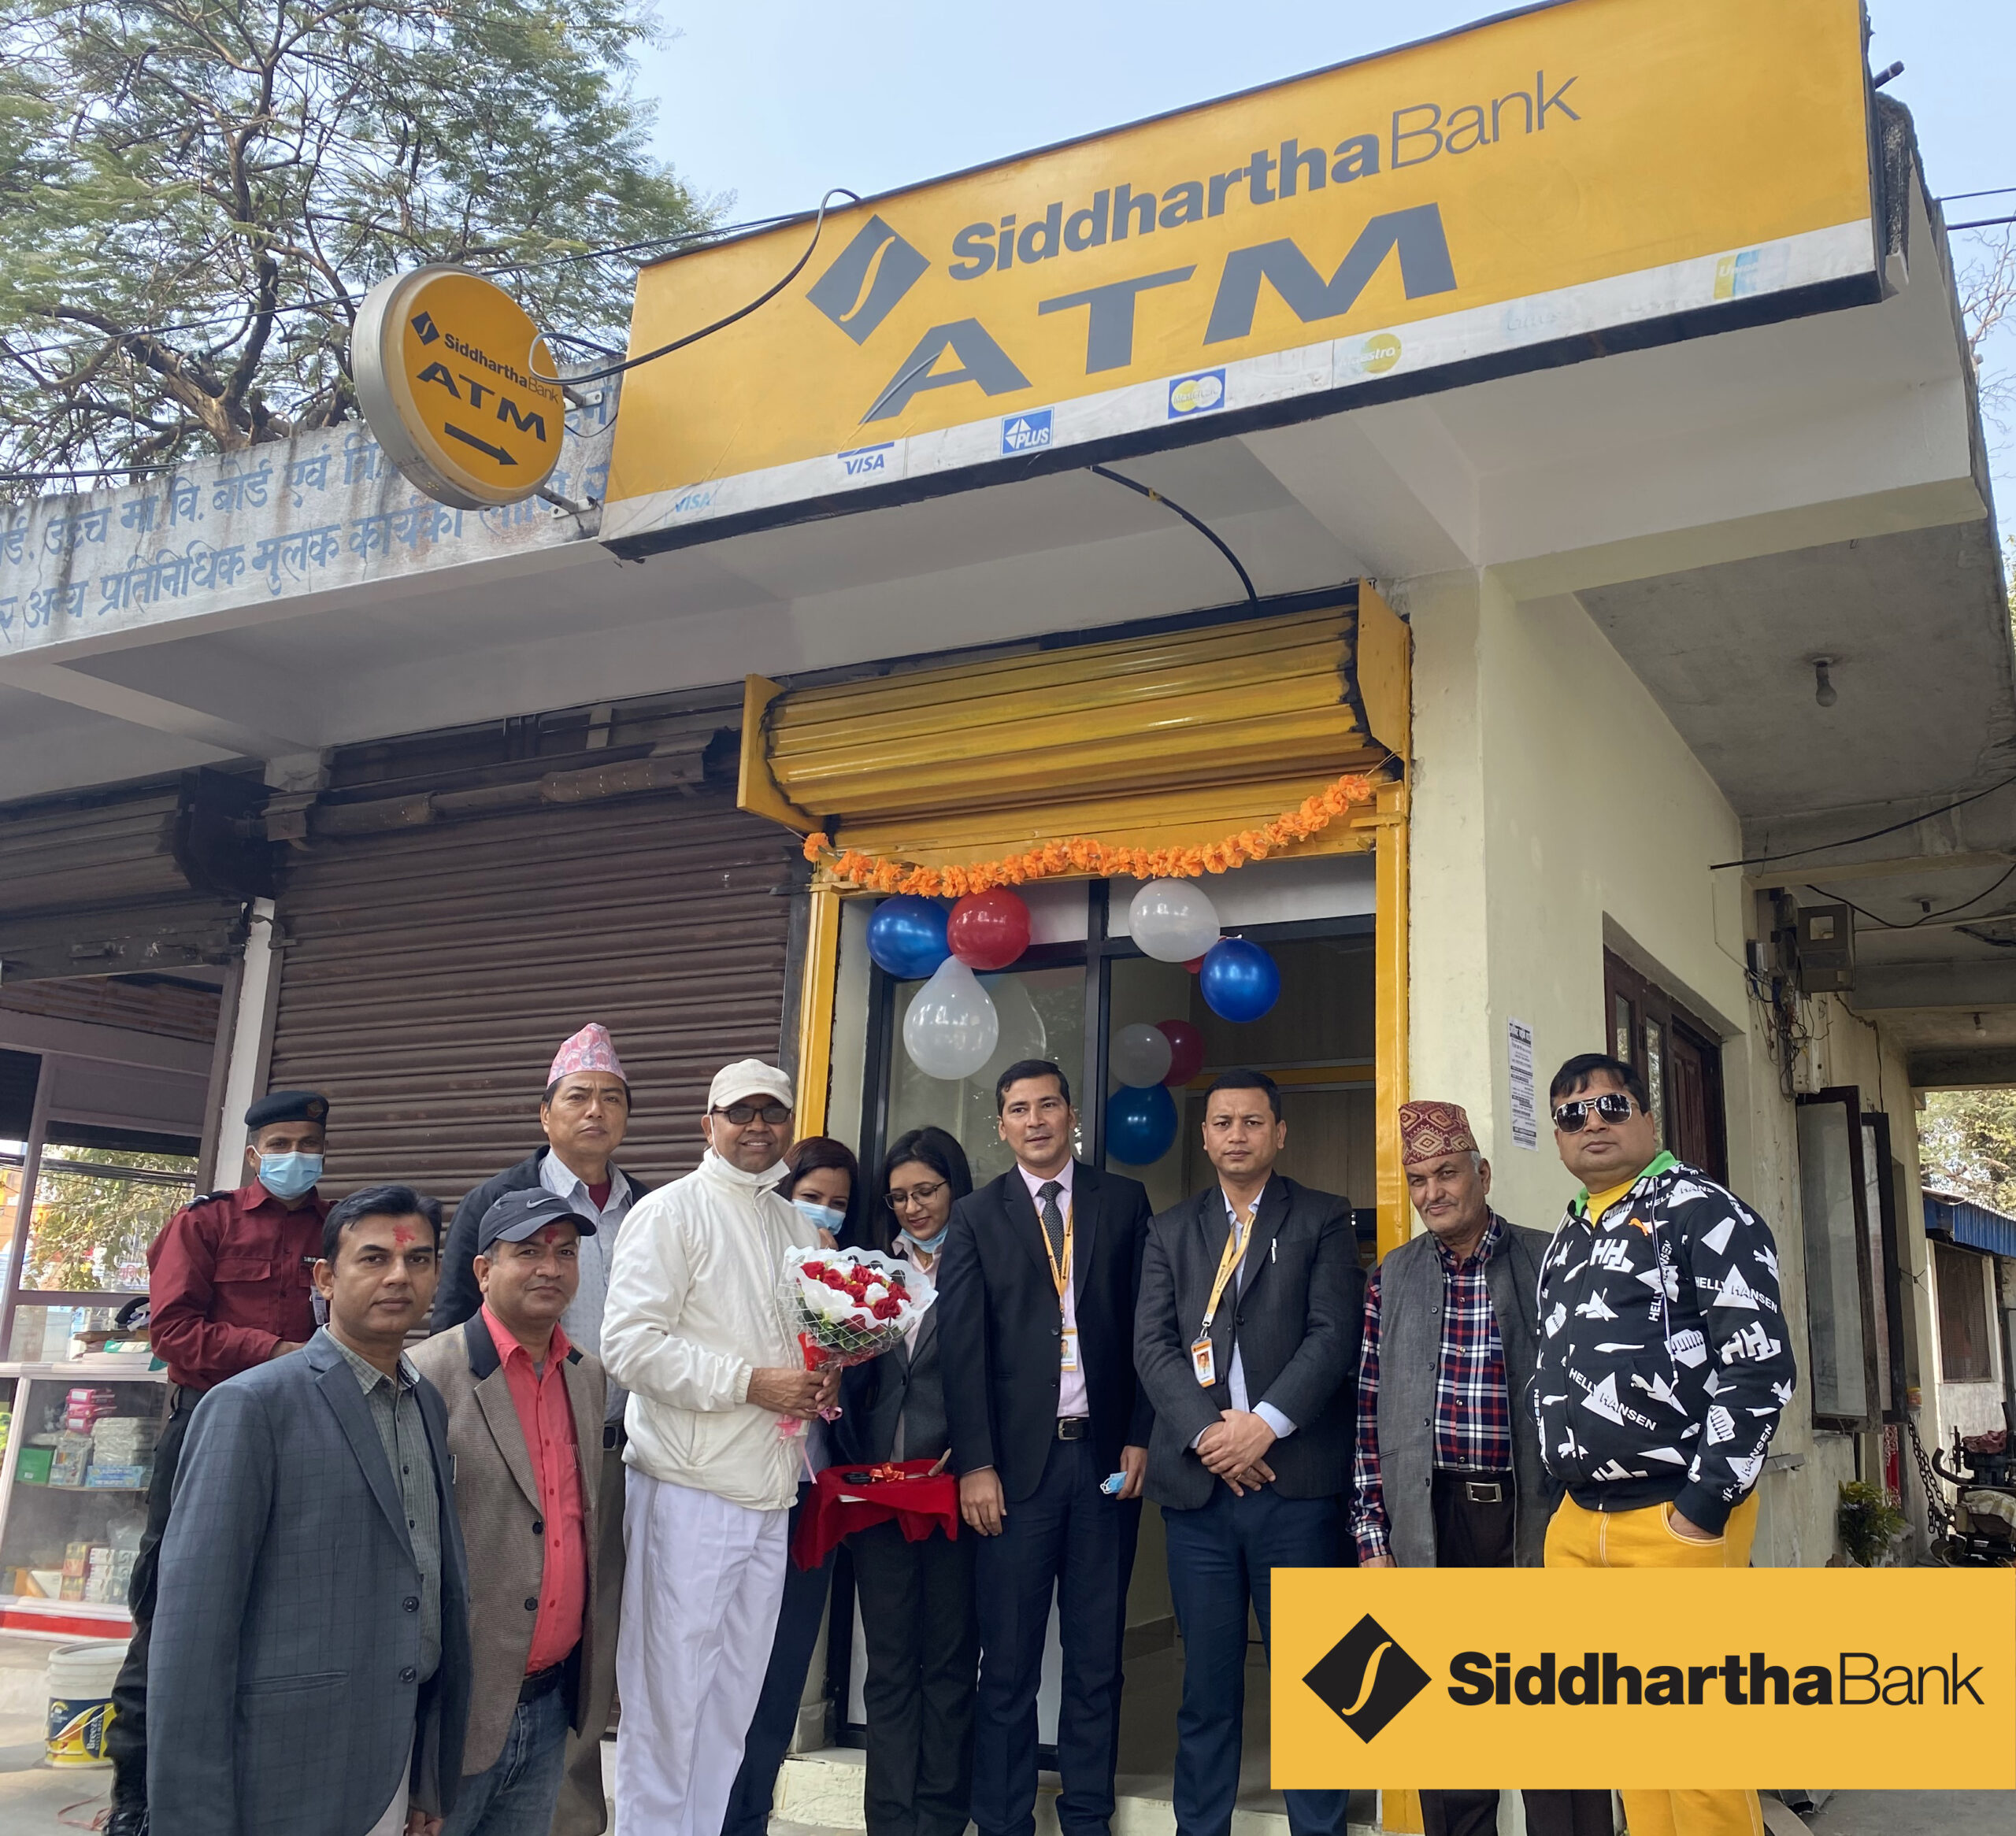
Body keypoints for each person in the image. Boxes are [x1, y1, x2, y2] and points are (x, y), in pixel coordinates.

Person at [148, 1184, 472, 1836]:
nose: (397, 1278)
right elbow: (192, 1631)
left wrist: (428, 1776)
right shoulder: (253, 1408)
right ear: (324, 1278)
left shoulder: (427, 1405)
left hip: (393, 1758)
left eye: (417, 1261)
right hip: (284, 1769)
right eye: (373, 1259)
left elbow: (429, 1584)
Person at [1536, 1053, 1797, 1836]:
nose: (1591, 1123)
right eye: (1570, 1113)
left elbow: (1757, 1367)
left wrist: (1703, 1508)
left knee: (1699, 1757)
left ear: (1647, 1117)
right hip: (1581, 1523)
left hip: (1676, 1517)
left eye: (1608, 1104)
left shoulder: (1701, 1210)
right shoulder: (1572, 1231)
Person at [1354, 1099, 1606, 1836]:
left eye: (1447, 1173)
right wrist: (1374, 1542)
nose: (1433, 1192)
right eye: (1419, 1179)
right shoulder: (1389, 1279)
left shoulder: (1550, 1257)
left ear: (1481, 1173)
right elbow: (1367, 1419)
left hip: (1535, 1522)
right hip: (1432, 1526)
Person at [601, 1061, 839, 1836]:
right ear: (708, 1123)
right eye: (741, 1112)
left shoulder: (794, 1222)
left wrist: (817, 1377)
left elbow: (797, 1345)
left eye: (773, 1112)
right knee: (668, 1705)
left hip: (769, 1492)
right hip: (687, 1488)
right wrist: (749, 1382)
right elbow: (628, 1346)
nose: (758, 1126)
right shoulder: (671, 1212)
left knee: (730, 1707)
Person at [430, 1021, 650, 1836]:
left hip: (615, 1453)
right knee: (494, 1633)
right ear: (546, 1111)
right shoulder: (497, 1198)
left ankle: (567, 1816)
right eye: (578, 1096)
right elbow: (452, 1318)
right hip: (505, 1450)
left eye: (611, 1098)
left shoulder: (649, 1207)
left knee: (581, 1638)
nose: (596, 1111)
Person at [1134, 1070, 1360, 1836]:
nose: (1237, 1134)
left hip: (1294, 1486)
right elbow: (1154, 1346)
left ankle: (1319, 1827)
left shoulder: (1324, 1218)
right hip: (1200, 1494)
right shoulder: (1168, 1231)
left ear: (1279, 1132)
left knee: (1316, 1684)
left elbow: (1334, 1334)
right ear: (1203, 1135)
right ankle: (1202, 1826)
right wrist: (1211, 1434)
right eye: (1223, 1122)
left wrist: (1262, 1424)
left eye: (1252, 1122)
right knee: (1206, 1683)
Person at [106, 1087, 335, 1836]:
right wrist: (276, 1354)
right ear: (253, 1152)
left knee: (284, 1605)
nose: (297, 1157)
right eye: (282, 1145)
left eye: (308, 1143)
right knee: (174, 1608)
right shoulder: (205, 1223)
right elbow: (172, 1331)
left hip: (305, 1434)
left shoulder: (338, 1228)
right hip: (205, 1428)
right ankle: (137, 1799)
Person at [937, 1060, 1153, 1836]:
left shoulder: (1122, 1201)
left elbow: (1144, 1329)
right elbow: (961, 1349)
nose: (1035, 1120)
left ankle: (1086, 1814)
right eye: (1018, 1109)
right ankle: (1002, 1818)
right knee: (1010, 1665)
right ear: (1001, 1125)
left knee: (1098, 1659)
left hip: (1102, 1463)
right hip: (1013, 1475)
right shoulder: (975, 1215)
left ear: (1071, 1114)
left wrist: (1139, 1435)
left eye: (1048, 1105)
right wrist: (976, 1462)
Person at [410, 1190, 612, 1836]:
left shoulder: (587, 1377)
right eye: (528, 1252)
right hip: (455, 1716)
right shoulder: (427, 1378)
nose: (550, 1268)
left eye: (565, 1252)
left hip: (553, 1705)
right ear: (482, 1271)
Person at [833, 1126, 979, 1836]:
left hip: (955, 1494)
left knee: (950, 1665)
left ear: (955, 1186)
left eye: (927, 1191)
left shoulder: (985, 1262)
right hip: (878, 1493)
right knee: (889, 1665)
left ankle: (943, 1817)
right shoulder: (870, 1271)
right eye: (899, 1198)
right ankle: (891, 1820)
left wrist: (975, 1450)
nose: (914, 1208)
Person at [723, 1136, 867, 1836]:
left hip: (810, 1498)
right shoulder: (744, 1275)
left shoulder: (857, 1295)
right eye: (812, 1198)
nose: (825, 1213)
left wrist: (840, 1379)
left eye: (840, 1204)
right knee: (722, 1677)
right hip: (733, 1488)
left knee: (782, 1674)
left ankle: (749, 1815)